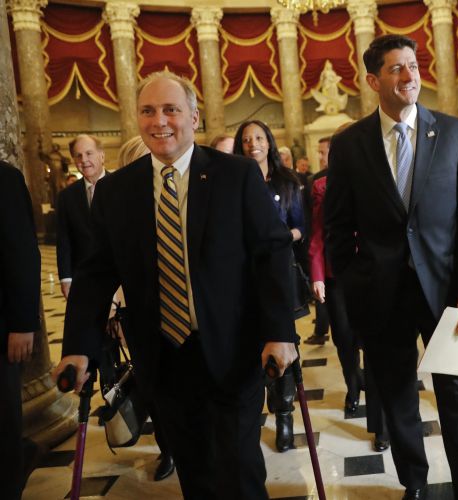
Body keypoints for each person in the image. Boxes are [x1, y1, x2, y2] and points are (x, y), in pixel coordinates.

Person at [53, 71, 297, 500]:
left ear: (194, 117)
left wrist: (280, 332)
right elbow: (95, 274)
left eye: (171, 110)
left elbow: (272, 254)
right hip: (162, 360)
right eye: (148, 111)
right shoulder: (116, 192)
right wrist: (78, 344)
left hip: (232, 352)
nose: (159, 120)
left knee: (239, 472)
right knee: (196, 475)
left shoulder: (235, 175)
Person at [324, 34, 458, 499]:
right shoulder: (350, 146)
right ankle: (414, 484)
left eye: (413, 66)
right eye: (397, 68)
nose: (409, 75)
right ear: (373, 80)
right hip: (381, 297)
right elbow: (337, 229)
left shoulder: (454, 133)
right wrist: (356, 284)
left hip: (450, 298)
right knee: (397, 401)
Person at [309, 135, 389, 451]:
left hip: (375, 276)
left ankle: (382, 425)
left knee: (376, 346)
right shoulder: (321, 187)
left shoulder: (380, 178)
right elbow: (317, 236)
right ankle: (353, 385)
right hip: (337, 276)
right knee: (344, 338)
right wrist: (316, 276)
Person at [233, 119, 304, 453]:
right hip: (241, 279)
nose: (252, 144)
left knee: (283, 340)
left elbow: (301, 227)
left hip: (280, 273)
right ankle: (260, 408)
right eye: (246, 139)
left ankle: (286, 418)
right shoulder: (228, 182)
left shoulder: (287, 181)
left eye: (258, 137)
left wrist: (277, 239)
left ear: (269, 142)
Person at [116, 135, 175, 482]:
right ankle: (167, 449)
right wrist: (113, 313)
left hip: (181, 309)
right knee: (153, 385)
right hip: (137, 312)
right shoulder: (117, 204)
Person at [0, 161, 41, 500]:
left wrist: (23, 324)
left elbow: (22, 253)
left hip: (2, 329)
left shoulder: (5, 178)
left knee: (3, 422)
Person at [55, 134, 107, 299]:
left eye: (89, 153)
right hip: (82, 277)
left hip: (118, 275)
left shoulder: (122, 186)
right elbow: (63, 240)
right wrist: (65, 278)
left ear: (102, 155)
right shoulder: (66, 196)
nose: (84, 159)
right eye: (78, 155)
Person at [304, 137, 332, 346]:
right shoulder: (319, 183)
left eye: (323, 152)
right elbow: (316, 230)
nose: (320, 157)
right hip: (330, 265)